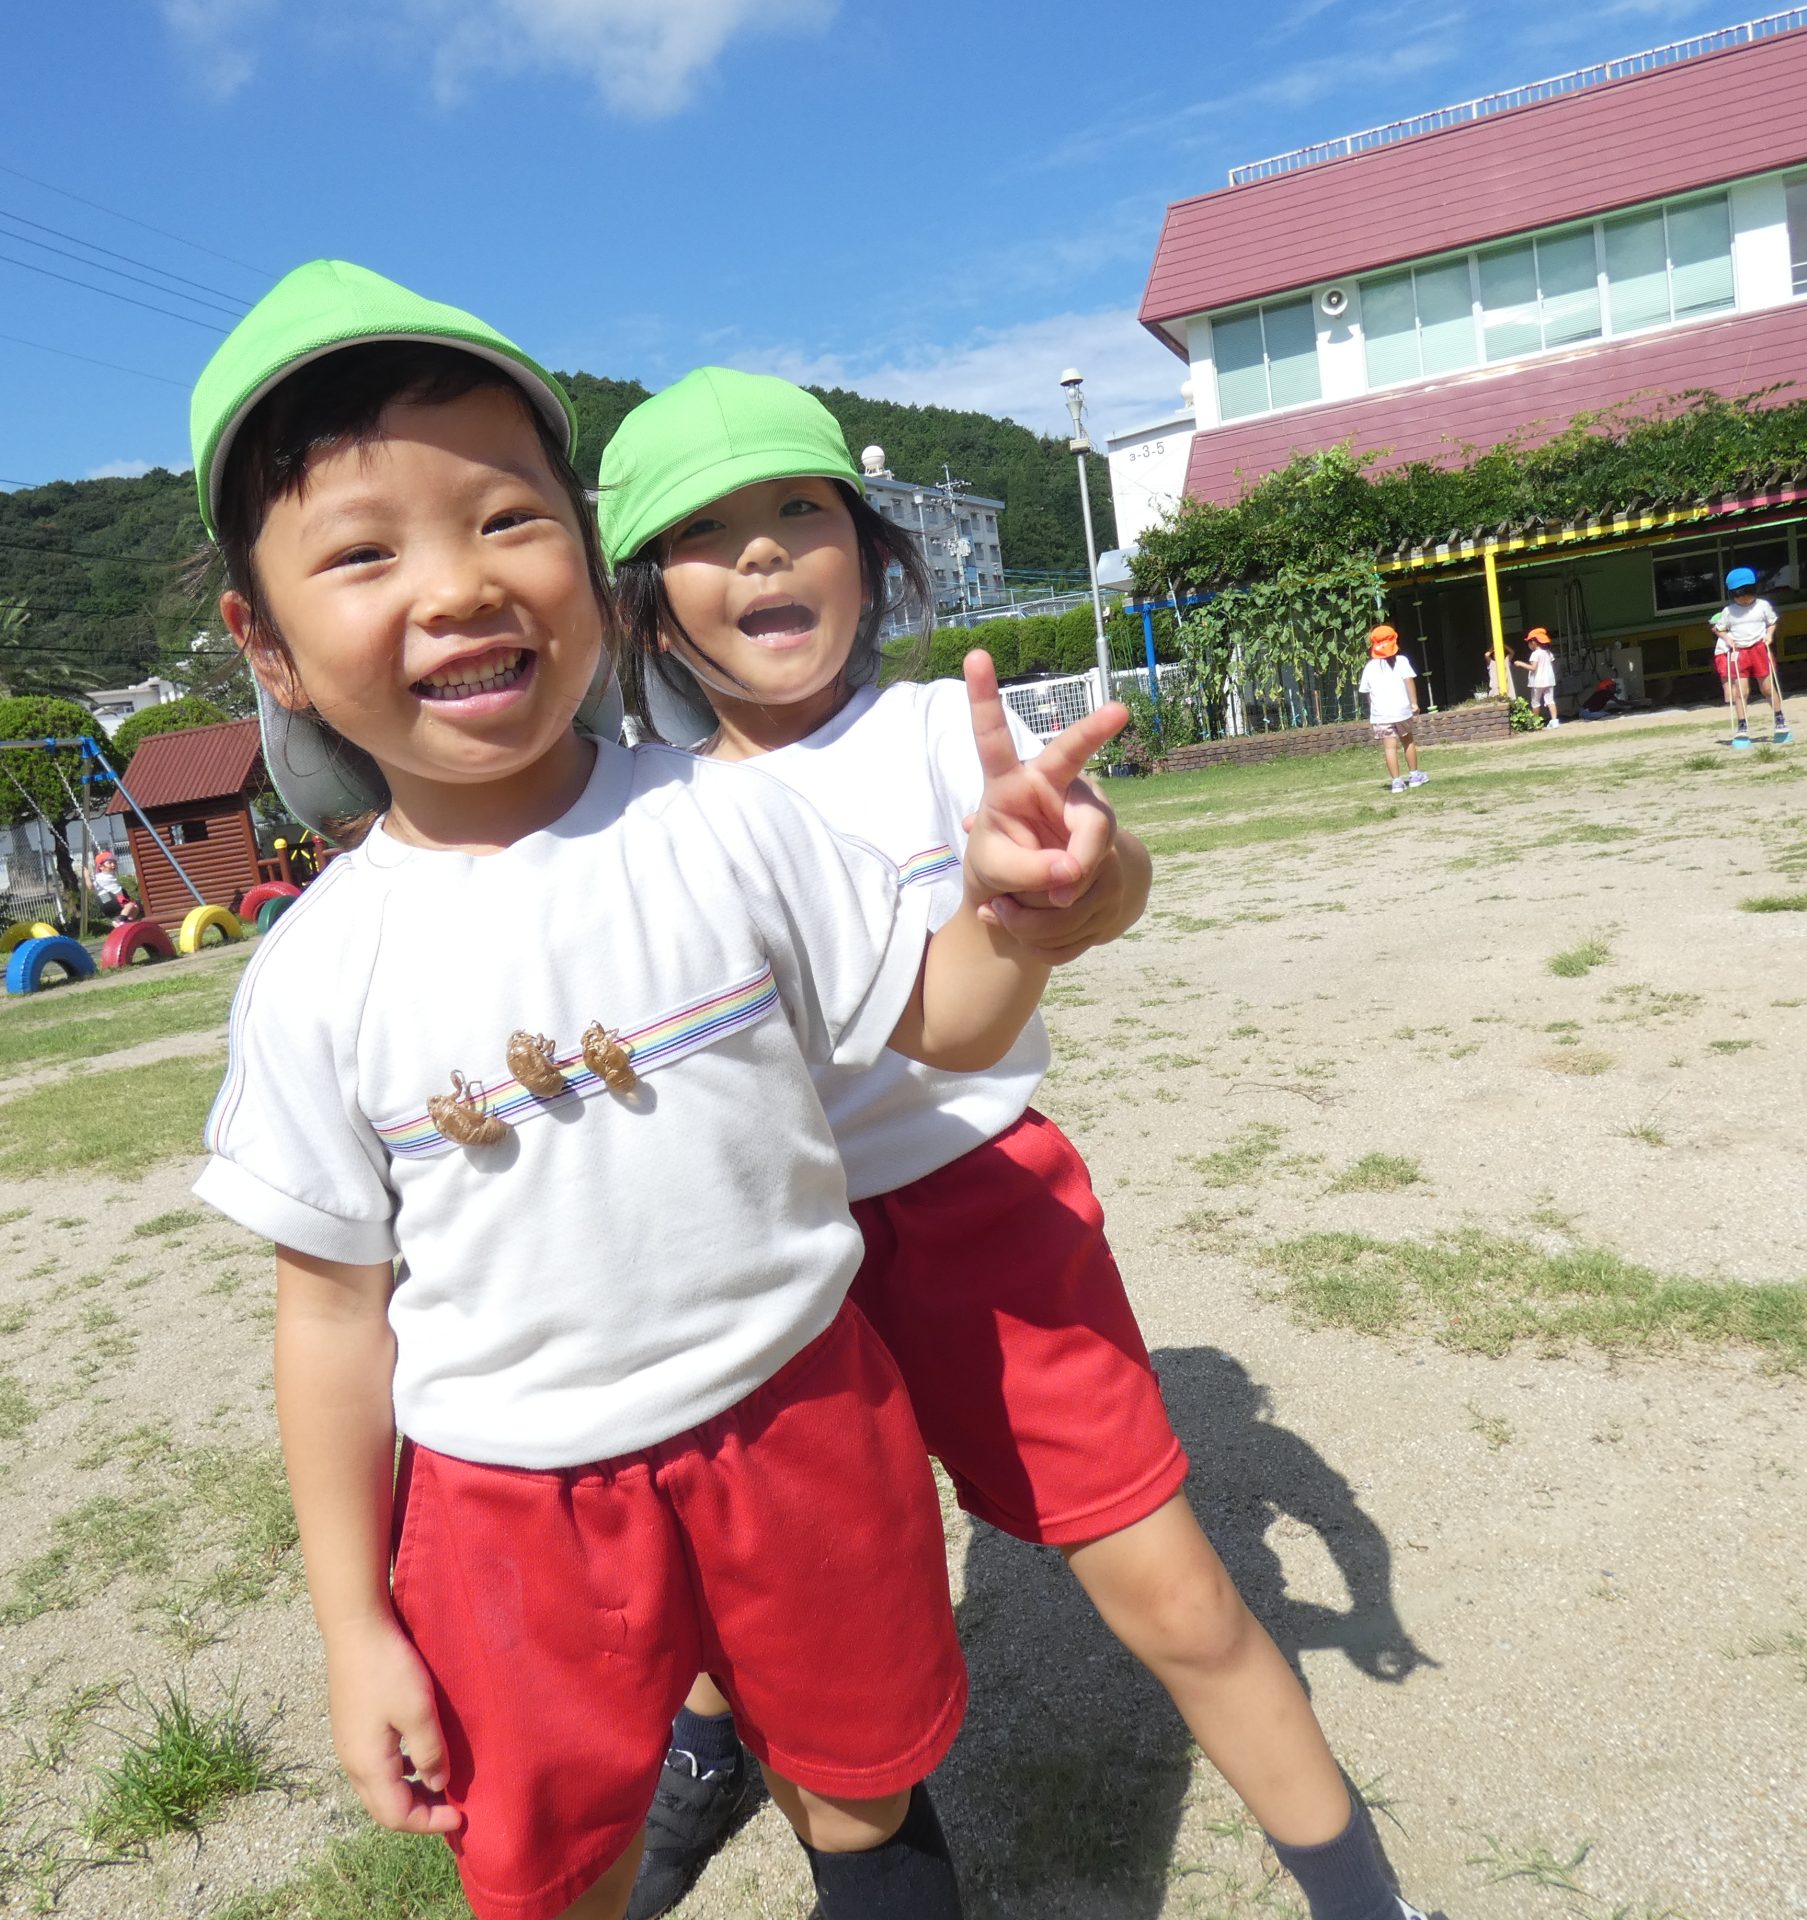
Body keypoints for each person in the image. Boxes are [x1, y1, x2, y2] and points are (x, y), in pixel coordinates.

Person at [185, 262, 1121, 1920]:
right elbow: (331, 1318)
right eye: (362, 553)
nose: (459, 587)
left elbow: (944, 1020)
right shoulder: (315, 976)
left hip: (804, 1413)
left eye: (504, 519)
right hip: (508, 1508)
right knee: (560, 1861)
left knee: (863, 1787)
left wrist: (1013, 914)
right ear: (264, 641)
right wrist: (355, 1625)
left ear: (587, 561)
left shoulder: (732, 823)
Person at [601, 367, 1441, 1920]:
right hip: (766, 1262)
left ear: (874, 549)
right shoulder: (639, 812)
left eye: (801, 513)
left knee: (1183, 1599)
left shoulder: (944, 737)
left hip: (984, 1219)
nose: (768, 554)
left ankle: (1367, 1901)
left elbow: (1101, 885)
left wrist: (1075, 882)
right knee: (763, 1606)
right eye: (708, 536)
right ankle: (711, 1751)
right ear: (651, 607)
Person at [1710, 566, 1790, 748]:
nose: (1744, 599)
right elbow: (1718, 628)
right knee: (1741, 691)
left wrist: (1769, 635)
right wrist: (1728, 640)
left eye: (1747, 593)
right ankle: (1742, 726)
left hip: (1759, 649)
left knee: (1768, 688)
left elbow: (1772, 622)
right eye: (1739, 595)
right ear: (1733, 594)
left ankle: (1779, 719)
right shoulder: (1729, 612)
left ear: (1755, 589)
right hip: (1739, 653)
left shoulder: (1762, 606)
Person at [1359, 626, 1427, 794]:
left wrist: (1373, 709)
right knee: (1407, 741)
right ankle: (1414, 776)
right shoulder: (1402, 661)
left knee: (1389, 748)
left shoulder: (1370, 667)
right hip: (1402, 711)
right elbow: (1409, 682)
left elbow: (1366, 692)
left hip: (1380, 715)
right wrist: (1414, 703)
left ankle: (1396, 782)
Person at [1521, 626, 1559, 727]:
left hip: (1538, 681)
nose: (1528, 645)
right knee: (1550, 700)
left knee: (1535, 702)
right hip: (1549, 680)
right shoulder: (1548, 653)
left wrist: (1520, 664)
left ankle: (1535, 722)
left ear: (1533, 642)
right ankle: (1555, 721)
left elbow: (1533, 668)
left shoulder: (1535, 654)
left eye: (1529, 642)